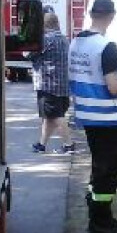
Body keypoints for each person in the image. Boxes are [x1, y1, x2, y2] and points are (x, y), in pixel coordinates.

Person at [68, 0, 117, 233]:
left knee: (100, 165)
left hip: (87, 115)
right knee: (112, 168)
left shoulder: (76, 42)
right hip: (107, 117)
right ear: (111, 15)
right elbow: (115, 88)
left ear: (91, 13)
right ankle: (101, 221)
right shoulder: (106, 47)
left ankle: (94, 203)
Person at [30, 12, 74, 154]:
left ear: (43, 25)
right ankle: (42, 144)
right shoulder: (64, 39)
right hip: (62, 85)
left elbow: (27, 54)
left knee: (55, 116)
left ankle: (69, 145)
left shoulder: (45, 40)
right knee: (50, 116)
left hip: (48, 84)